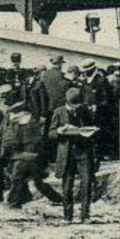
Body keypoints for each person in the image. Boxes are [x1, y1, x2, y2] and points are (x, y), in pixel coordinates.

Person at [49, 87, 97, 223]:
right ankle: (67, 216)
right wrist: (59, 131)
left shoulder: (84, 110)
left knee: (87, 182)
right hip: (66, 151)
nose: (76, 108)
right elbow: (50, 134)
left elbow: (91, 126)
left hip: (83, 150)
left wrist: (91, 131)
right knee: (67, 185)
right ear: (67, 103)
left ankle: (85, 215)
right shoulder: (58, 112)